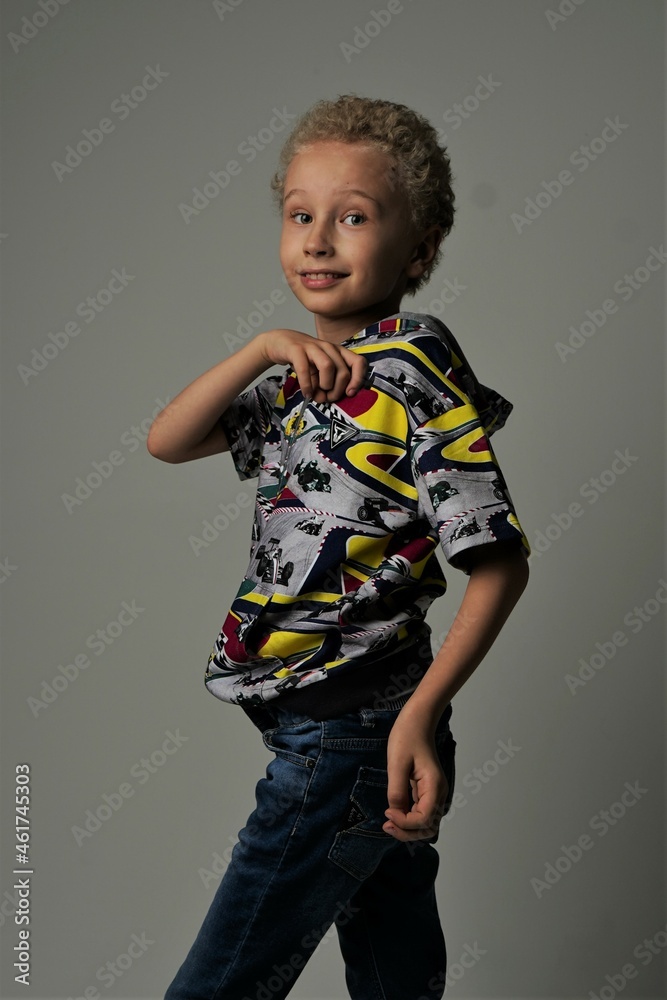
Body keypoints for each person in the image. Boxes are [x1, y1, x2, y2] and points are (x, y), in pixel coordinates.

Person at [149, 95, 530, 1000]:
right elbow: (168, 438)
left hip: (353, 730)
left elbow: (499, 561)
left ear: (419, 246)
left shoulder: (412, 367)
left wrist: (415, 720)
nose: (318, 240)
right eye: (300, 215)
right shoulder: (298, 380)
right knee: (396, 975)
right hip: (337, 717)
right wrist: (259, 352)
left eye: (353, 217)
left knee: (218, 985)